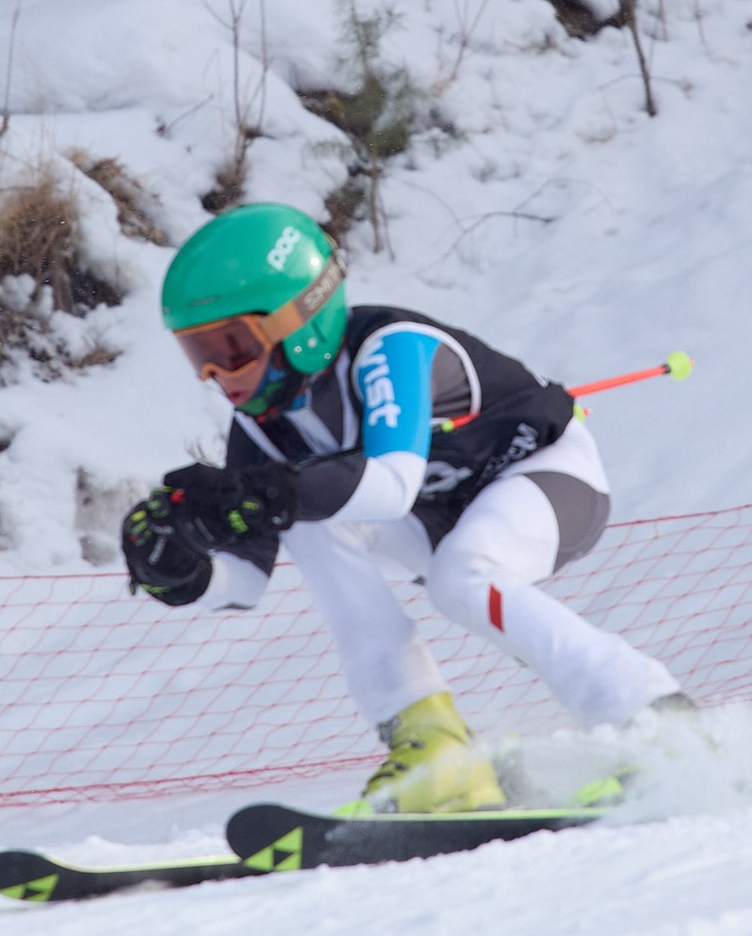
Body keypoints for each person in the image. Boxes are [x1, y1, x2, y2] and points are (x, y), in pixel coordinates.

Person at [120, 202, 690, 811]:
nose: (216, 374)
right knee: (311, 525)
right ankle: (437, 747)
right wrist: (180, 569)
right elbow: (244, 585)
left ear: (299, 320)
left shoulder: (392, 348)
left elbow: (391, 482)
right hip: (440, 516)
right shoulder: (261, 429)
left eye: (233, 347)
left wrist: (269, 495)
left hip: (545, 476)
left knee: (462, 577)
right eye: (197, 352)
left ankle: (654, 721)